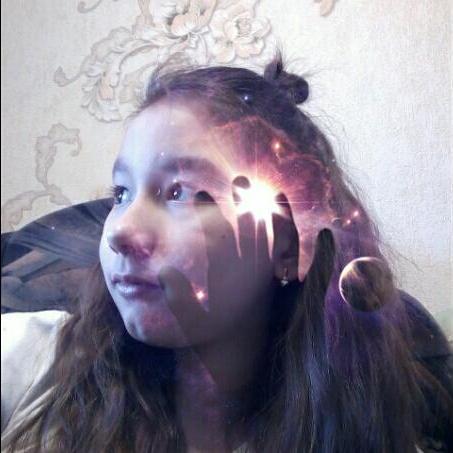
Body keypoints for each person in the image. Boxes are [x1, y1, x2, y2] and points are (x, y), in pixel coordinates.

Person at [1, 54, 452, 453]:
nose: (120, 231)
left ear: (288, 246)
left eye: (181, 192)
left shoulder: (355, 426)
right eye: (121, 193)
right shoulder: (35, 361)